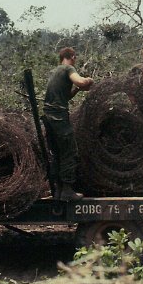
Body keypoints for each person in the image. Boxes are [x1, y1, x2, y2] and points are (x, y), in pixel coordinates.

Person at [43, 47, 94, 201]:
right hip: (59, 116)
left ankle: (58, 190)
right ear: (72, 56)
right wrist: (88, 80)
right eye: (75, 58)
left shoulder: (55, 71)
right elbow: (80, 80)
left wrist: (78, 90)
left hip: (49, 116)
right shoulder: (68, 68)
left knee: (57, 152)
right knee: (69, 151)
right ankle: (67, 190)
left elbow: (64, 96)